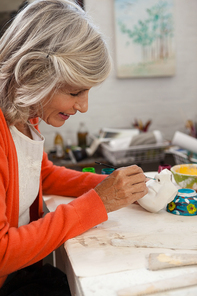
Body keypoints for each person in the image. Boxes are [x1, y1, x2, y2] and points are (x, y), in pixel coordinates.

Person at [0, 0, 148, 294]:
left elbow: (42, 175)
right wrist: (98, 203)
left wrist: (110, 186)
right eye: (75, 91)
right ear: (33, 74)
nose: (83, 106)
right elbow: (3, 253)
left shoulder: (25, 116)